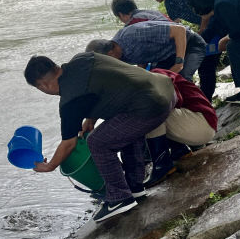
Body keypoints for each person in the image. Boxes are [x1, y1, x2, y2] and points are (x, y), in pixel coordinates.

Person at [24, 53, 174, 222]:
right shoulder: (83, 59)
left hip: (151, 107)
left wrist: (50, 165)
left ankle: (119, 198)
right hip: (166, 91)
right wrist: (91, 119)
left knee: (96, 142)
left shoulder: (69, 101)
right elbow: (108, 85)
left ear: (43, 86)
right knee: (123, 130)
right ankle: (134, 187)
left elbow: (69, 143)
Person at [85, 42, 218, 187]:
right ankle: (179, 150)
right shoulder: (143, 76)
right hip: (198, 122)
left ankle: (162, 165)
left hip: (201, 123)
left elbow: (174, 99)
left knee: (148, 110)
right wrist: (92, 118)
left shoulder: (153, 76)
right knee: (148, 107)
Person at [143, 0, 223, 100]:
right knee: (226, 47)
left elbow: (207, 6)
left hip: (219, 15)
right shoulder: (169, 3)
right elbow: (176, 26)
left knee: (206, 59)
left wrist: (201, 31)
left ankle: (205, 99)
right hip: (208, 24)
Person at [85, 20, 206, 81]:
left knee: (182, 77)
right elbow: (141, 55)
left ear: (110, 54)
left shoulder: (134, 35)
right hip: (166, 55)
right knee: (155, 83)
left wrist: (179, 63)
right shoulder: (119, 55)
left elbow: (180, 31)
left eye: (106, 62)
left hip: (189, 43)